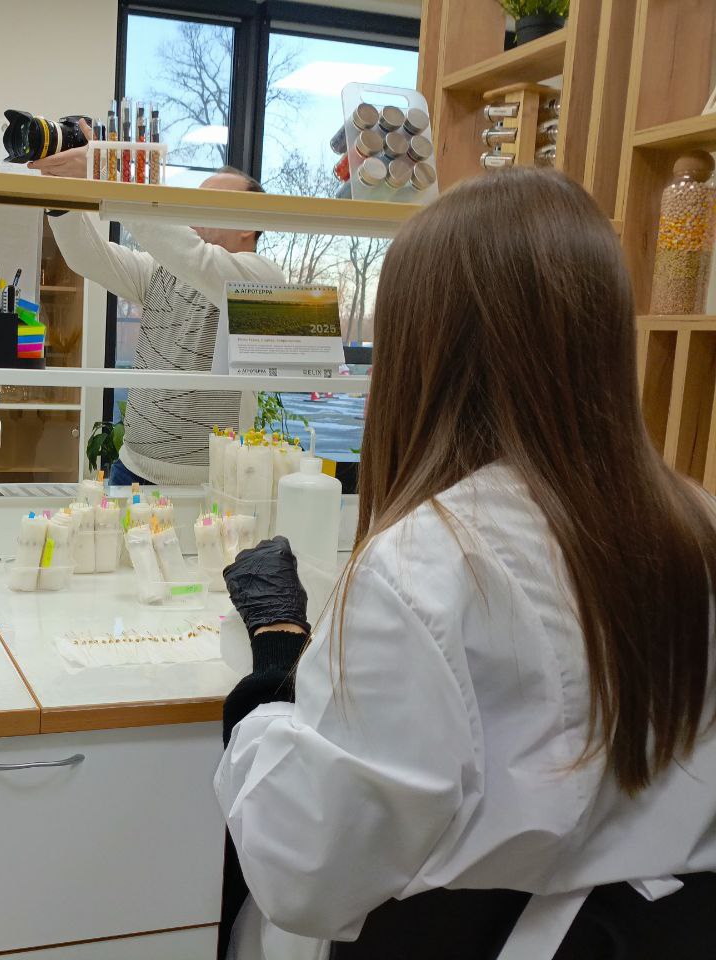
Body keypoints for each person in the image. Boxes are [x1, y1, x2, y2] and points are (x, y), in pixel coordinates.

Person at [216, 169, 716, 960]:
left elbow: (308, 873)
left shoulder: (427, 567)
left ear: (420, 351)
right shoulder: (696, 521)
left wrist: (274, 668)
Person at [30, 124, 285, 486]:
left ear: (249, 225)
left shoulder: (262, 278)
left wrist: (108, 170)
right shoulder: (161, 272)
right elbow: (86, 256)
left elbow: (195, 259)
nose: (193, 211)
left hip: (209, 483)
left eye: (210, 203)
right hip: (132, 470)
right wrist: (61, 195)